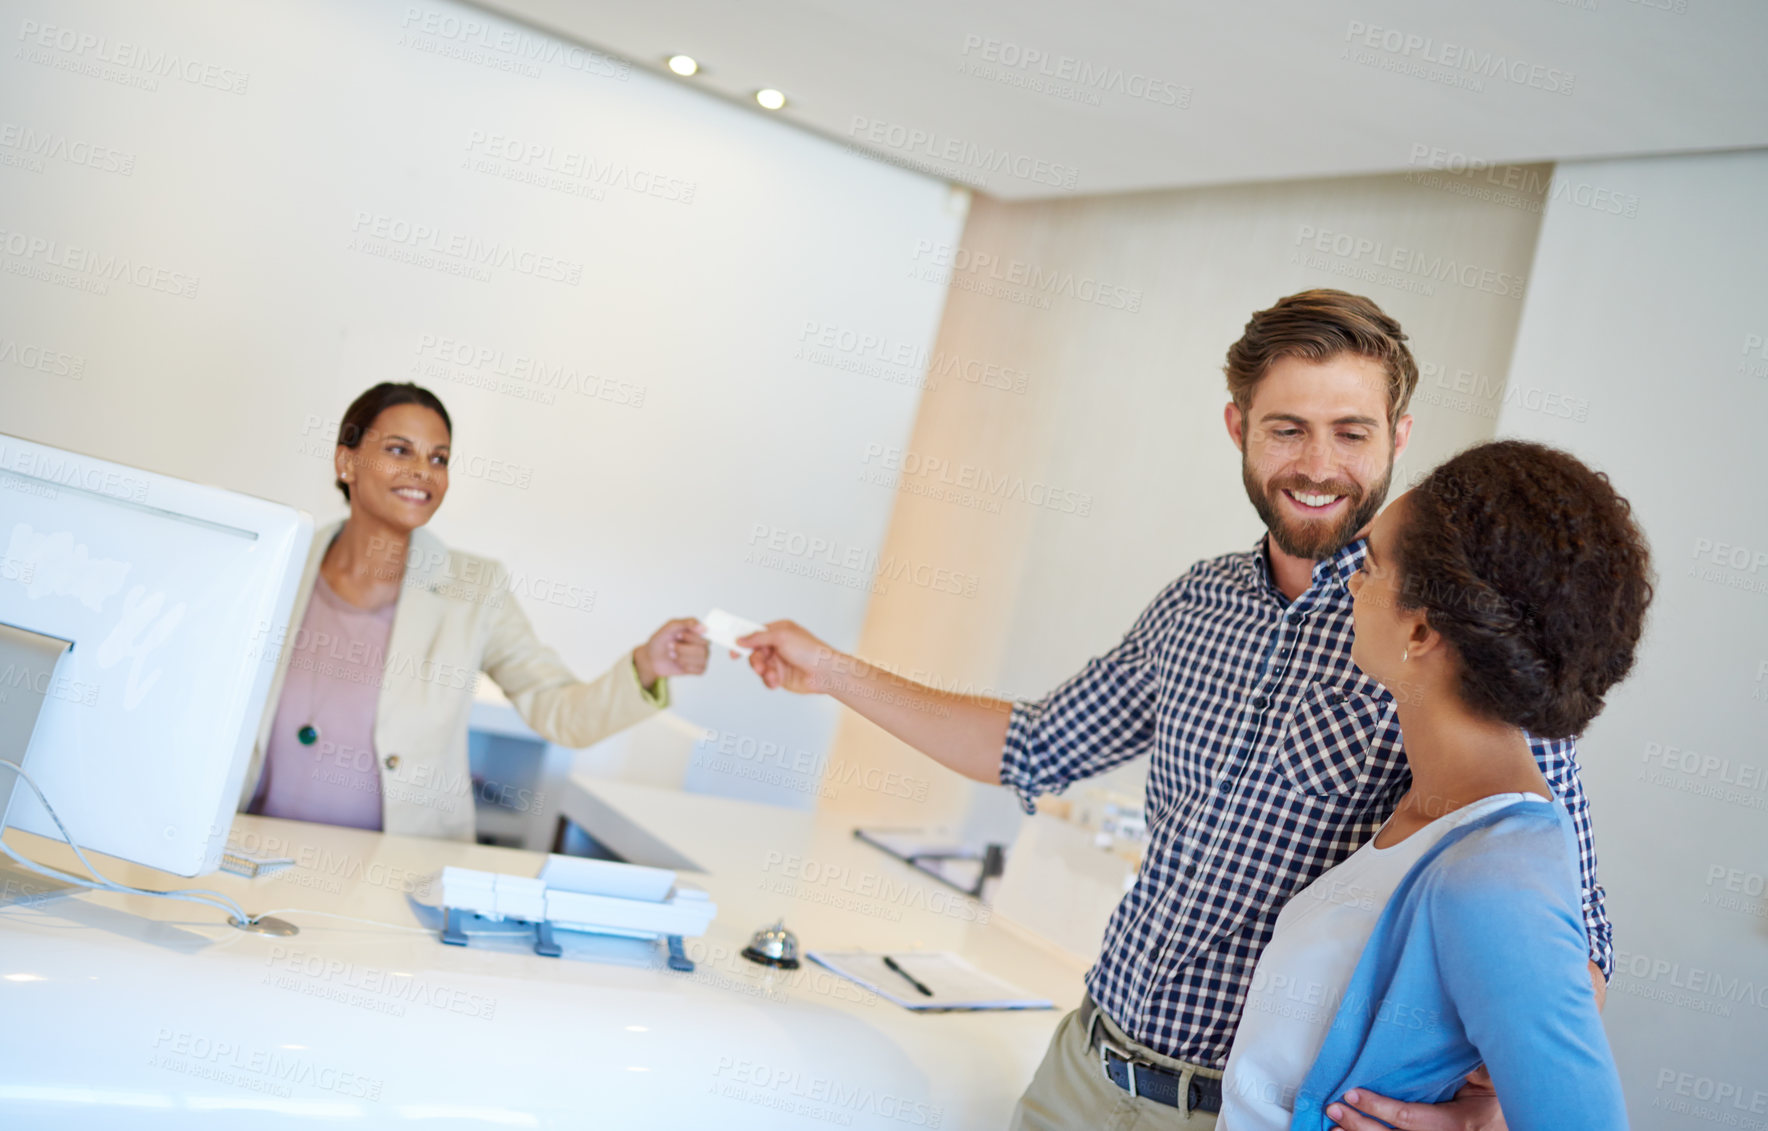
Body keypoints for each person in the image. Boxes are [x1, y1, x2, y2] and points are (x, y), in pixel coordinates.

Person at [737, 290, 1614, 1130]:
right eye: (1287, 429)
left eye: (1351, 432)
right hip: (1085, 1067)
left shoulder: (1444, 642)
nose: (1317, 465)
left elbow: (1566, 948)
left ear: (1398, 435)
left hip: (1237, 1110)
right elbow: (1032, 742)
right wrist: (835, 672)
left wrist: (1494, 1107)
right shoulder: (1197, 603)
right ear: (1238, 426)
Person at [1218, 440, 1649, 1131]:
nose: (1352, 584)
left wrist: (1478, 1127)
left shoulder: (1495, 869)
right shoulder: (1441, 817)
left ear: (1419, 628)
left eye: (1371, 565)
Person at [239, 382, 708, 839]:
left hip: (394, 873)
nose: (423, 471)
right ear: (347, 462)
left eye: (438, 458)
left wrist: (646, 667)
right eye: (401, 451)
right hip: (246, 855)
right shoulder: (275, 565)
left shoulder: (474, 590)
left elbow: (558, 711)